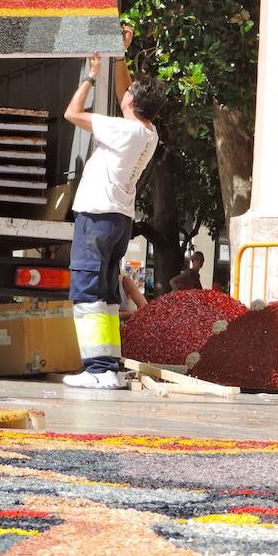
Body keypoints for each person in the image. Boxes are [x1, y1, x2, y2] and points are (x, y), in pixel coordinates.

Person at [62, 30, 166, 389]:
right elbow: (127, 94)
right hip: (118, 220)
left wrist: (91, 75)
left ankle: (96, 370)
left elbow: (71, 112)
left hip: (97, 216)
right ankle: (107, 366)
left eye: (130, 92)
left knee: (88, 290)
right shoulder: (147, 132)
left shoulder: (123, 131)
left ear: (132, 104)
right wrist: (120, 56)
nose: (126, 92)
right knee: (106, 294)